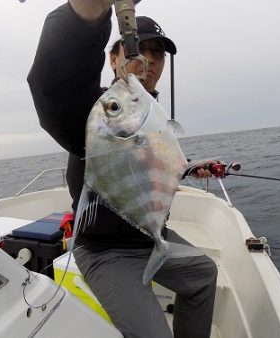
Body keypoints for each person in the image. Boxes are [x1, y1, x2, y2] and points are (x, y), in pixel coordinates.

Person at [28, 1, 218, 337]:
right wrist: (89, 15)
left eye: (157, 52)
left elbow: (145, 166)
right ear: (113, 58)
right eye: (138, 49)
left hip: (148, 235)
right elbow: (55, 89)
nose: (148, 59)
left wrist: (187, 169)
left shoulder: (150, 115)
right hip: (106, 251)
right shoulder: (99, 113)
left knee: (203, 275)